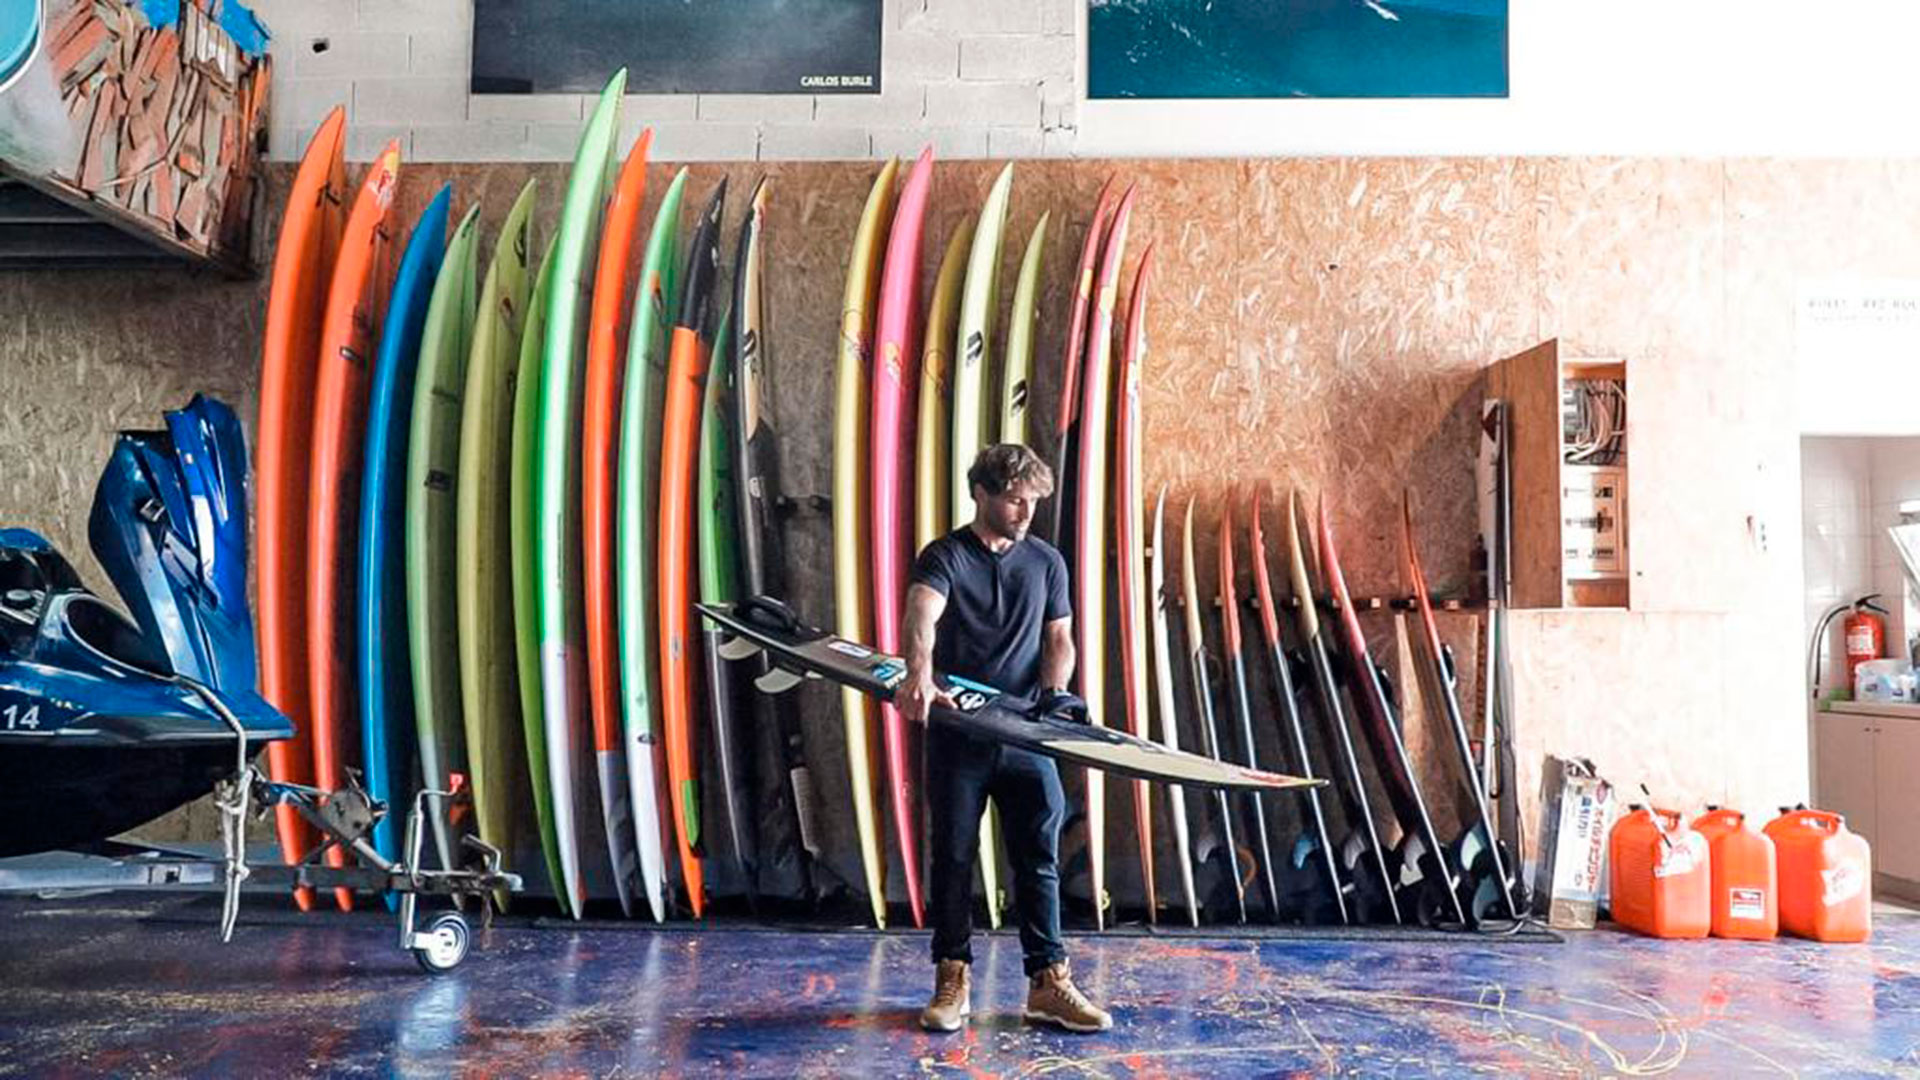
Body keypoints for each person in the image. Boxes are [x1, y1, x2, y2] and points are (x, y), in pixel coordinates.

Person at [898, 443, 1113, 1034]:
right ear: (983, 495)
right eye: (1015, 500)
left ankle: (1048, 982)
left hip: (1023, 733)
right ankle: (952, 975)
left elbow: (1060, 637)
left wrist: (1053, 696)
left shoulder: (1046, 562)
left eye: (1033, 502)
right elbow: (922, 615)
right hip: (958, 734)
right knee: (954, 858)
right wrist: (918, 672)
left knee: (1039, 860)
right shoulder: (945, 556)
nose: (1024, 512)